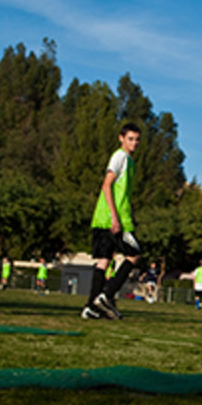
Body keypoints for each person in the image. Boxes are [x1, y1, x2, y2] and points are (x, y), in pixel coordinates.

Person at [82, 123, 142, 320]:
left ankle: (91, 307)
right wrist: (115, 217)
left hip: (103, 216)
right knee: (134, 255)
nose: (134, 143)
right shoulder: (120, 157)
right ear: (121, 138)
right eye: (130, 138)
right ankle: (106, 295)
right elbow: (107, 185)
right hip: (114, 217)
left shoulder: (129, 161)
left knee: (104, 260)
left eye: (136, 139)